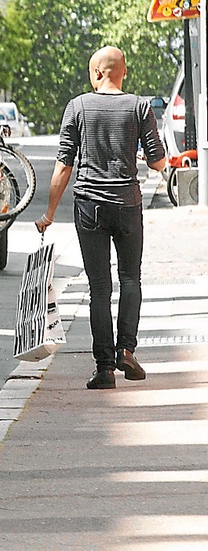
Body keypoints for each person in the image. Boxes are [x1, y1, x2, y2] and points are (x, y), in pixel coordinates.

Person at [35, 46, 166, 390]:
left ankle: (104, 369)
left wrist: (49, 212)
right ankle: (127, 349)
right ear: (124, 72)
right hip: (127, 204)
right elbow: (157, 162)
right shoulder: (140, 107)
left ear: (95, 74)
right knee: (130, 279)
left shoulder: (77, 106)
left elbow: (64, 164)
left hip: (89, 205)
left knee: (99, 289)